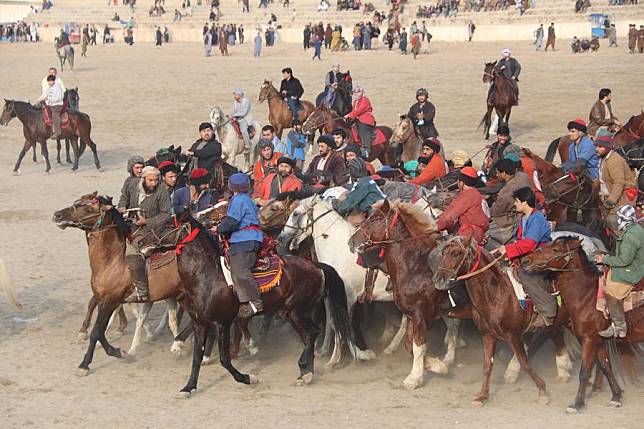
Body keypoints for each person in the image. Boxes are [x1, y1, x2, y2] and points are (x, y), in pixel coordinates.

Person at [492, 187, 555, 328]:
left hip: (540, 256)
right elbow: (519, 240)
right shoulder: (524, 218)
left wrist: (507, 250)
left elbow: (530, 244)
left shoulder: (537, 218)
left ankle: (548, 312)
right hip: (529, 255)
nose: (514, 204)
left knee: (526, 275)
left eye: (516, 201)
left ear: (524, 202)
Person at [216, 173, 264, 318]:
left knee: (239, 269)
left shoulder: (238, 200)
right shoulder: (247, 199)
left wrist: (218, 229)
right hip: (250, 237)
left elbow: (232, 221)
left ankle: (255, 301)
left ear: (231, 187)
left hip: (245, 239)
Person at [123, 166, 171, 303]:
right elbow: (124, 197)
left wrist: (147, 221)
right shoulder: (133, 186)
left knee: (132, 252)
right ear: (143, 179)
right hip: (131, 225)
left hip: (153, 230)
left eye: (156, 180)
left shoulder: (162, 192)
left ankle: (142, 291)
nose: (154, 183)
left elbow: (166, 214)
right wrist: (122, 207)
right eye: (150, 180)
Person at [596, 205, 644, 338]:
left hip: (632, 269)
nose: (617, 220)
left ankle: (620, 326)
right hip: (635, 263)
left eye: (620, 218)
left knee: (611, 294)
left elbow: (624, 261)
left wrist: (604, 259)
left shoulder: (630, 237)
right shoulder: (634, 229)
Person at [595, 133, 637, 232]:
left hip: (623, 198)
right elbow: (602, 179)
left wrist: (611, 201)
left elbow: (619, 182)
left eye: (600, 146)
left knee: (613, 221)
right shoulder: (604, 159)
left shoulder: (614, 161)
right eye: (596, 146)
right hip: (612, 196)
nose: (596, 149)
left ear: (608, 148)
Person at [436, 167, 489, 243]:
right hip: (478, 234)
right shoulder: (477, 195)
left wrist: (432, 227)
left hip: (468, 236)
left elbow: (448, 218)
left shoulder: (467, 196)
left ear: (461, 182)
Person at [487, 158, 532, 247]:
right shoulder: (523, 176)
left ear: (503, 173)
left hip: (513, 220)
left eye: (498, 172)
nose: (497, 175)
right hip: (528, 210)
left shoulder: (505, 192)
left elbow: (496, 212)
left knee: (485, 235)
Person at [344, 84, 375, 159]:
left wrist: (350, 115)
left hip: (366, 119)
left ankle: (366, 149)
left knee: (363, 129)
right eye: (355, 92)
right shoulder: (355, 101)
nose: (357, 94)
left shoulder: (365, 99)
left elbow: (360, 110)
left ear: (362, 92)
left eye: (358, 92)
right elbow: (354, 111)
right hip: (357, 119)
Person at [37, 74, 64, 139]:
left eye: (50, 81)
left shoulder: (58, 87)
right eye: (48, 81)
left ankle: (57, 132)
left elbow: (58, 98)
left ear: (53, 81)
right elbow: (44, 95)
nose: (49, 82)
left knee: (54, 115)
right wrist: (38, 99)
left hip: (57, 105)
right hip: (50, 104)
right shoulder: (48, 88)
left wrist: (48, 99)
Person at [230, 88, 253, 155]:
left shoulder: (246, 101)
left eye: (235, 94)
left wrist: (234, 115)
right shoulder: (235, 102)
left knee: (243, 130)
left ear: (240, 95)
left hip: (245, 118)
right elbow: (233, 111)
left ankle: (248, 145)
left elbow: (244, 113)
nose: (234, 96)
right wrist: (230, 116)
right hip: (237, 118)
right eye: (234, 94)